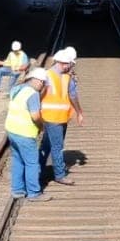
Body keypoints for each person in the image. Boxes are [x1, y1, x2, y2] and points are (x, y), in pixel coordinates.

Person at [4, 68, 53, 202]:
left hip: (12, 131)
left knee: (18, 160)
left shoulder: (18, 89)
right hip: (25, 133)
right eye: (42, 83)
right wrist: (41, 126)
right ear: (37, 80)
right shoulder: (33, 94)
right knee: (32, 163)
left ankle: (17, 190)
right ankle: (34, 192)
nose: (42, 86)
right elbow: (35, 116)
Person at [39, 46, 85, 186]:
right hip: (51, 118)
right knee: (57, 147)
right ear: (63, 63)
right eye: (70, 64)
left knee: (47, 145)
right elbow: (37, 95)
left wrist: (79, 112)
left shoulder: (66, 77)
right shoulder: (47, 76)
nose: (71, 66)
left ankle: (38, 169)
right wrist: (79, 112)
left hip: (61, 117)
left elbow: (72, 95)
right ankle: (59, 174)